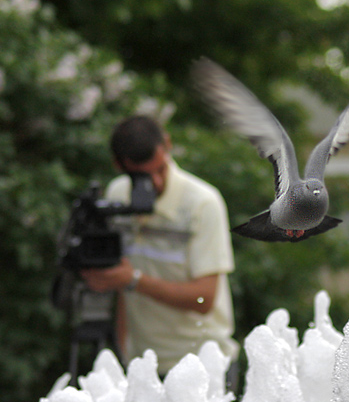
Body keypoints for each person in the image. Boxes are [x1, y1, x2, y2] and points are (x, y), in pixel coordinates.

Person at [81, 115, 240, 377]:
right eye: (140, 176)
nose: (154, 183)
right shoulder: (117, 195)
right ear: (118, 165)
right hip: (143, 366)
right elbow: (123, 290)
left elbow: (204, 299)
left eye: (160, 169)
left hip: (202, 366)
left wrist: (133, 280)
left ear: (167, 145)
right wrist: (124, 356)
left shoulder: (202, 203)